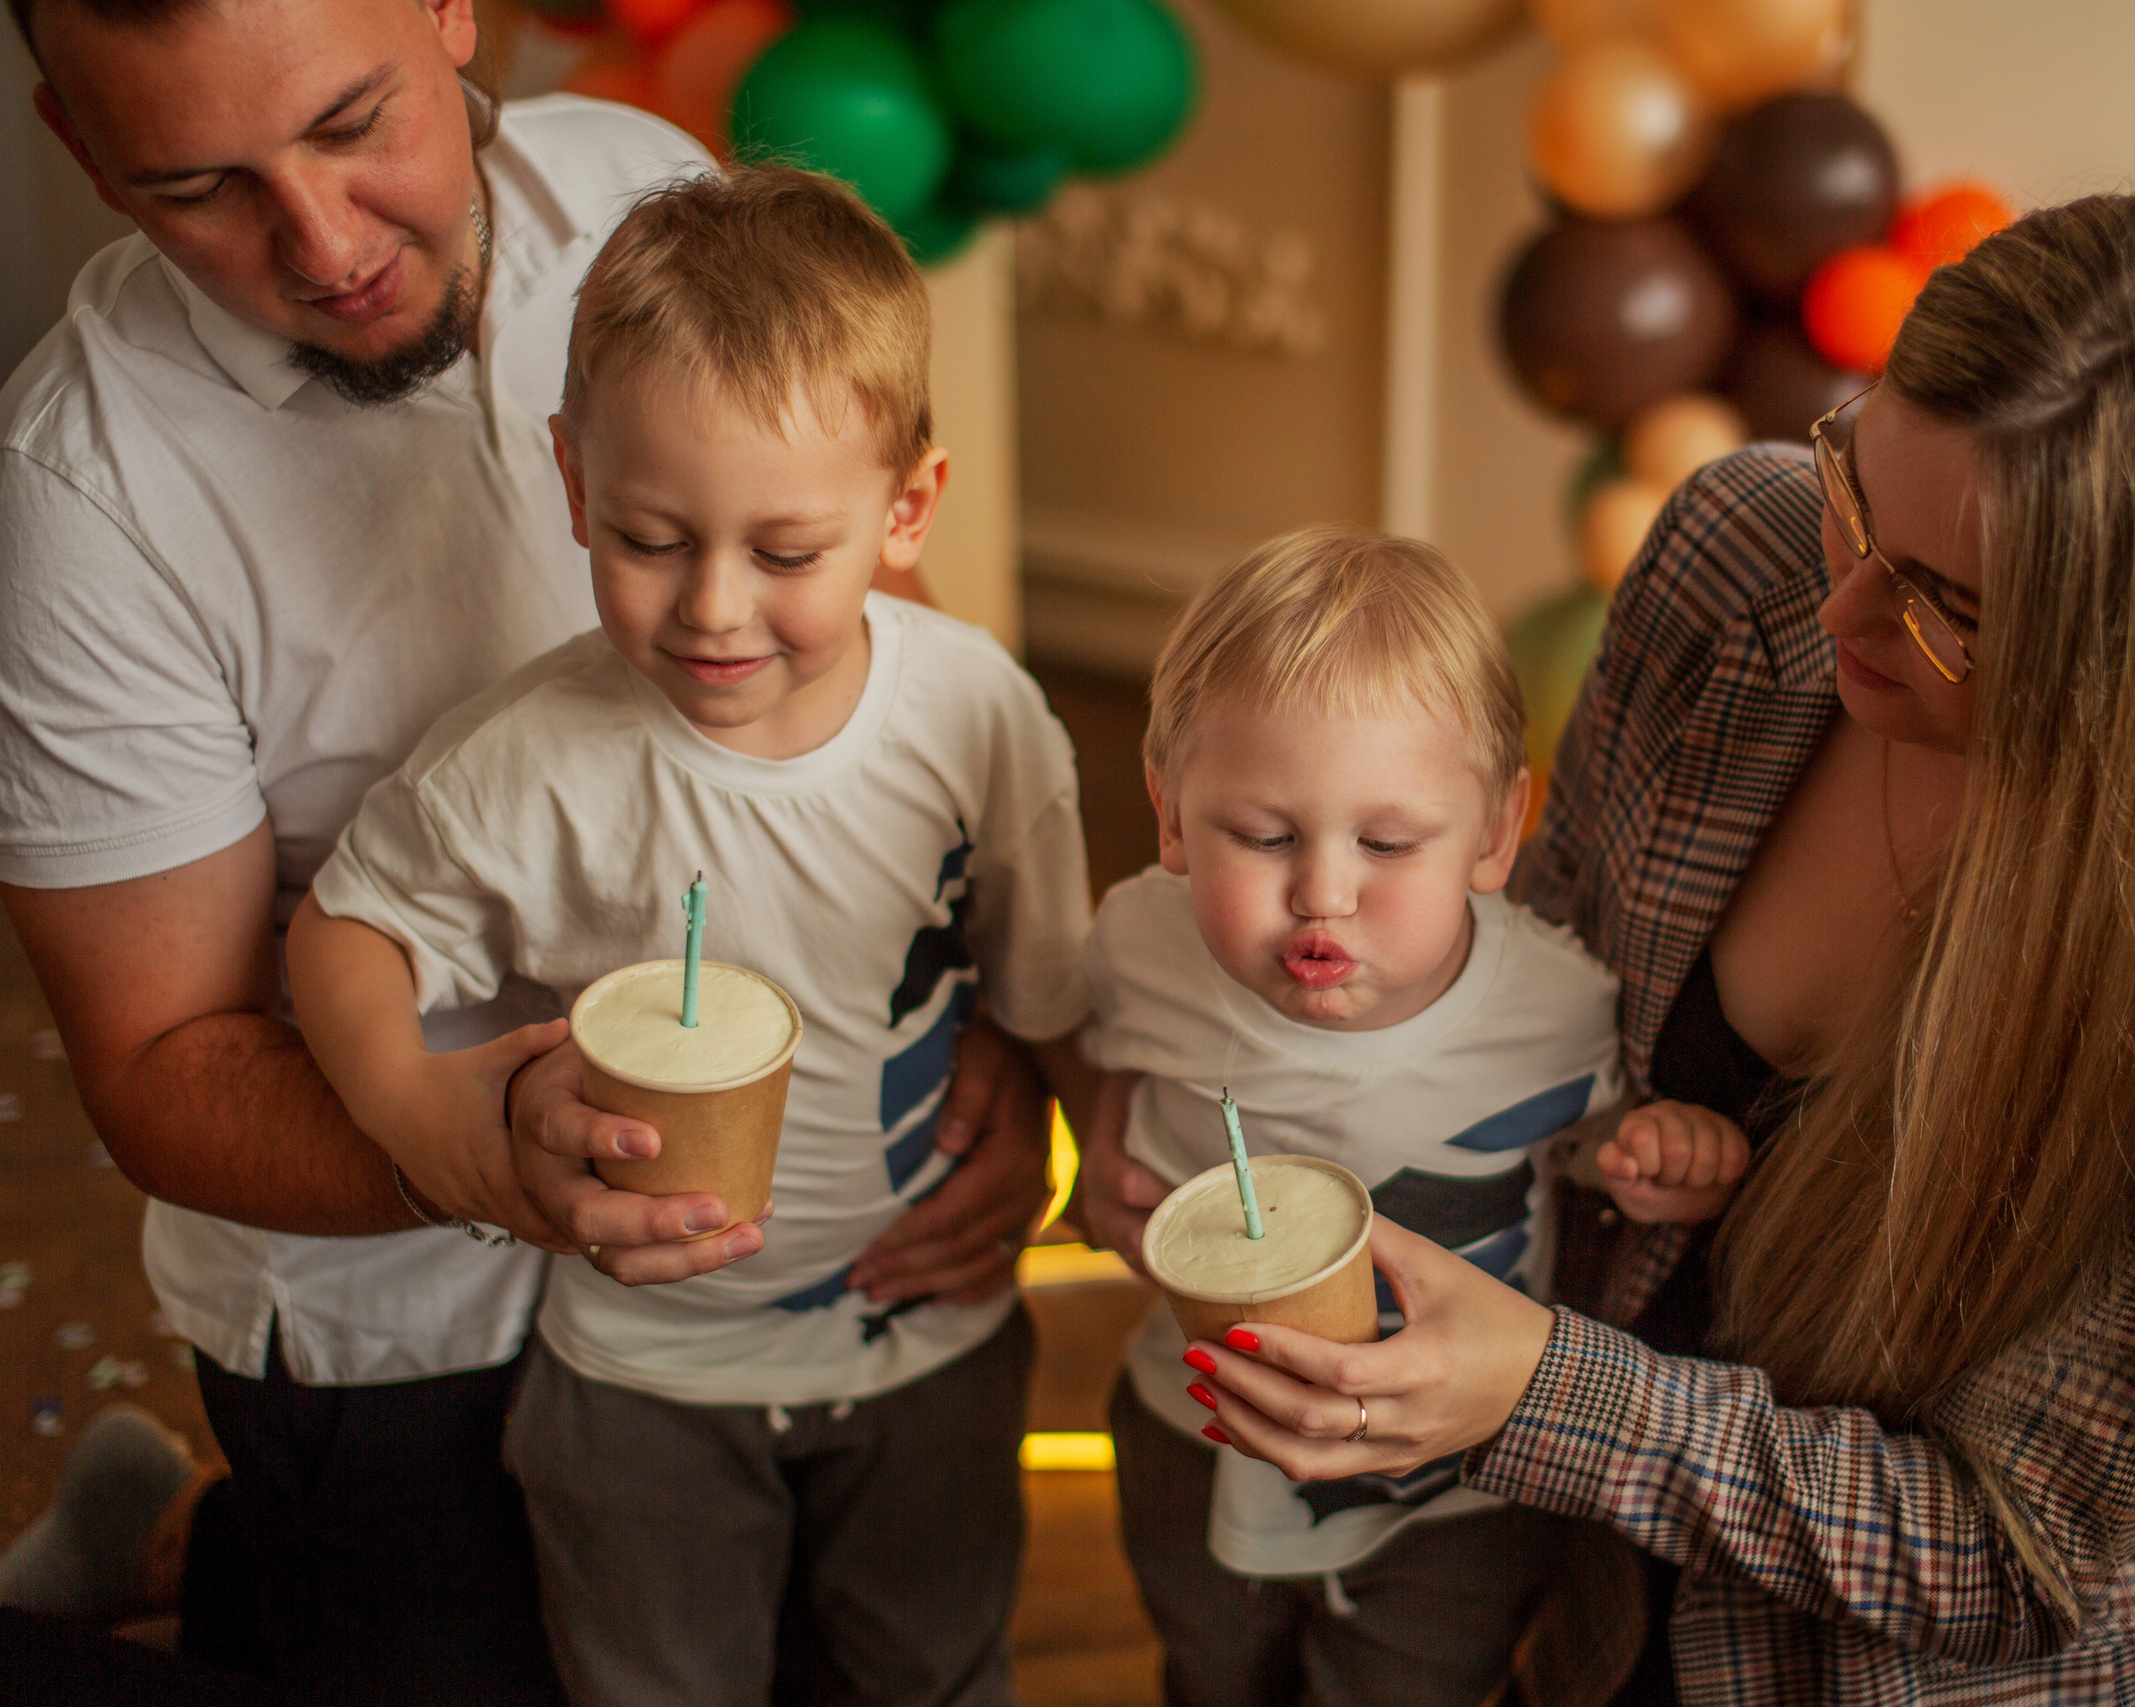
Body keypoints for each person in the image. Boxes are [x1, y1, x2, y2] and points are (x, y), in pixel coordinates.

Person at [1087, 193, 2135, 1701]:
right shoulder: (1741, 552)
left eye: (1947, 607)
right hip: (1579, 1587)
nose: (1843, 600)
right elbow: (1528, 974)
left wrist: (1547, 1394)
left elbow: (2010, 1557)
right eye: (1857, 489)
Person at [0, 0, 1051, 1695]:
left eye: (354, 124)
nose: (324, 244)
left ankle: (199, 1539)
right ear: (80, 148)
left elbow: (875, 626)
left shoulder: (639, 187)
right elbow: (158, 1061)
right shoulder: (78, 491)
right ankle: (220, 1560)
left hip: (778, 1262)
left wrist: (980, 1034)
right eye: (198, 185)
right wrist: (464, 1151)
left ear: (448, 9)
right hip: (393, 1315)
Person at [288, 165, 1096, 1707]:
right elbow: (343, 935)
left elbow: (1053, 979)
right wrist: (417, 1113)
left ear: (908, 507)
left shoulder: (978, 711)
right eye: (651, 537)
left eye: (786, 553)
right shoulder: (527, 760)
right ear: (574, 479)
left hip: (931, 1340)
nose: (715, 607)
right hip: (640, 1379)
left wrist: (1084, 1127)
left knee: (938, 1669)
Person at [1073, 526, 1743, 1707]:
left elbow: (1587, 1146)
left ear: (1493, 834)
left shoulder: (1552, 1006)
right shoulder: (1136, 941)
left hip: (1452, 1491)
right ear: (1170, 815)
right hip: (1195, 1433)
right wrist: (1104, 1150)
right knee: (1212, 1673)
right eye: (1263, 837)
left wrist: (1652, 1157)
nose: (1323, 891)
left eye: (1386, 843)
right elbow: (1108, 1064)